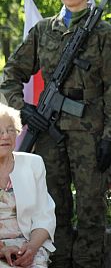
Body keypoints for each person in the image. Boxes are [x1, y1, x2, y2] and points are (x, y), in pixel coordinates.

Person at [0, 0, 111, 268]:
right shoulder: (43, 31)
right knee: (51, 207)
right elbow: (10, 76)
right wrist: (24, 110)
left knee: (90, 209)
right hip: (49, 134)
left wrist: (109, 138)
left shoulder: (104, 34)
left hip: (91, 135)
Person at [0, 103, 55, 268]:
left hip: (27, 245)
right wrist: (3, 250)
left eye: (10, 130)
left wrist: (32, 247)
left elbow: (44, 217)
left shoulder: (33, 163)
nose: (5, 136)